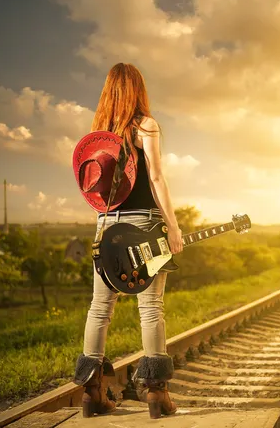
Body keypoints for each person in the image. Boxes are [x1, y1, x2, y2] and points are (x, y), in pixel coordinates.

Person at [72, 63, 183, 419]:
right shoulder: (144, 125)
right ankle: (156, 394)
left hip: (105, 226)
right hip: (145, 226)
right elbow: (156, 179)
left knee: (99, 307)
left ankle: (92, 394)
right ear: (138, 89)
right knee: (150, 307)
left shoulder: (99, 134)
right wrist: (175, 227)